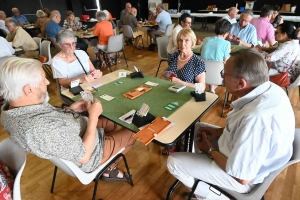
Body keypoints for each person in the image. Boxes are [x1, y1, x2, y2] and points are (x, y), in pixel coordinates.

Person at [167, 48, 295, 200]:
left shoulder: (256, 120)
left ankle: (207, 195)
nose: (222, 77)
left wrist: (210, 151)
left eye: (224, 74)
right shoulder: (271, 88)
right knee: (198, 128)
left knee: (173, 162)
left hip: (244, 179)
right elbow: (242, 129)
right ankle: (205, 181)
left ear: (241, 83)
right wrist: (219, 131)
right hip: (245, 155)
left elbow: (242, 178)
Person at [0, 57, 136, 180]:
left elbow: (53, 124)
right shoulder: (39, 129)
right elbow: (84, 156)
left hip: (78, 130)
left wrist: (70, 110)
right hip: (92, 153)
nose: (48, 82)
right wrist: (93, 117)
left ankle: (111, 146)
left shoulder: (11, 110)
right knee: (133, 132)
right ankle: (108, 168)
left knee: (115, 117)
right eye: (43, 79)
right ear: (29, 90)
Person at [163, 29, 206, 155]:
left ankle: (178, 142)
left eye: (186, 40)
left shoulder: (198, 62)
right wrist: (166, 75)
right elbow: (165, 73)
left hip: (188, 98)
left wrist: (179, 82)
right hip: (170, 93)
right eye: (180, 40)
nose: (183, 43)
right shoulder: (173, 57)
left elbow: (201, 88)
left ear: (192, 42)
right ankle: (170, 139)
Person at [201, 19, 232, 94]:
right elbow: (226, 62)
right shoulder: (226, 44)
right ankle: (212, 88)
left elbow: (201, 52)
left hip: (201, 75)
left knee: (209, 64)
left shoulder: (206, 39)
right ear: (226, 33)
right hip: (218, 78)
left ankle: (211, 88)